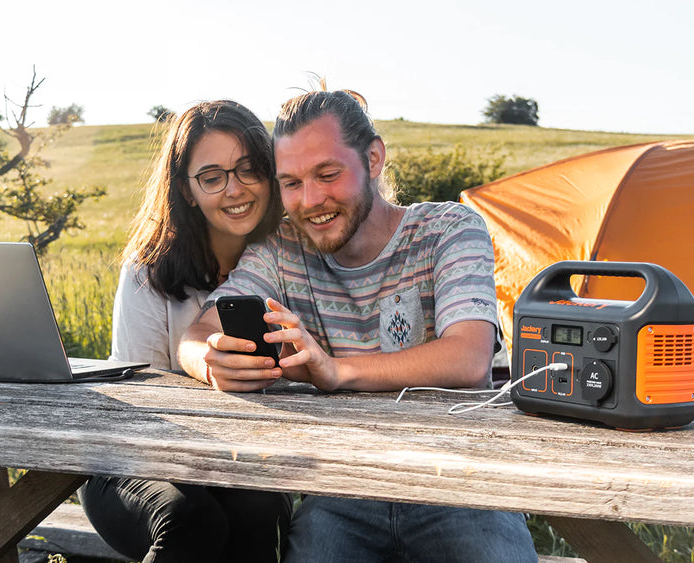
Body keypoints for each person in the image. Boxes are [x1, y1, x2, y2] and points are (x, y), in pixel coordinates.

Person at [179, 90, 537, 562]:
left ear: (373, 158)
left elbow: (468, 358)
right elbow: (196, 334)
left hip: (461, 486)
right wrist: (211, 361)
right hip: (338, 492)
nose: (311, 200)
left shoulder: (449, 229)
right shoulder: (282, 247)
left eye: (328, 174)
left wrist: (337, 371)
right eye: (291, 182)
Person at [79, 100, 292, 563]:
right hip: (134, 458)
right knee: (190, 520)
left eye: (249, 169)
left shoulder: (292, 259)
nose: (235, 189)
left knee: (259, 508)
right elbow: (140, 399)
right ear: (187, 190)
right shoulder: (149, 269)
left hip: (241, 461)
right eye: (212, 177)